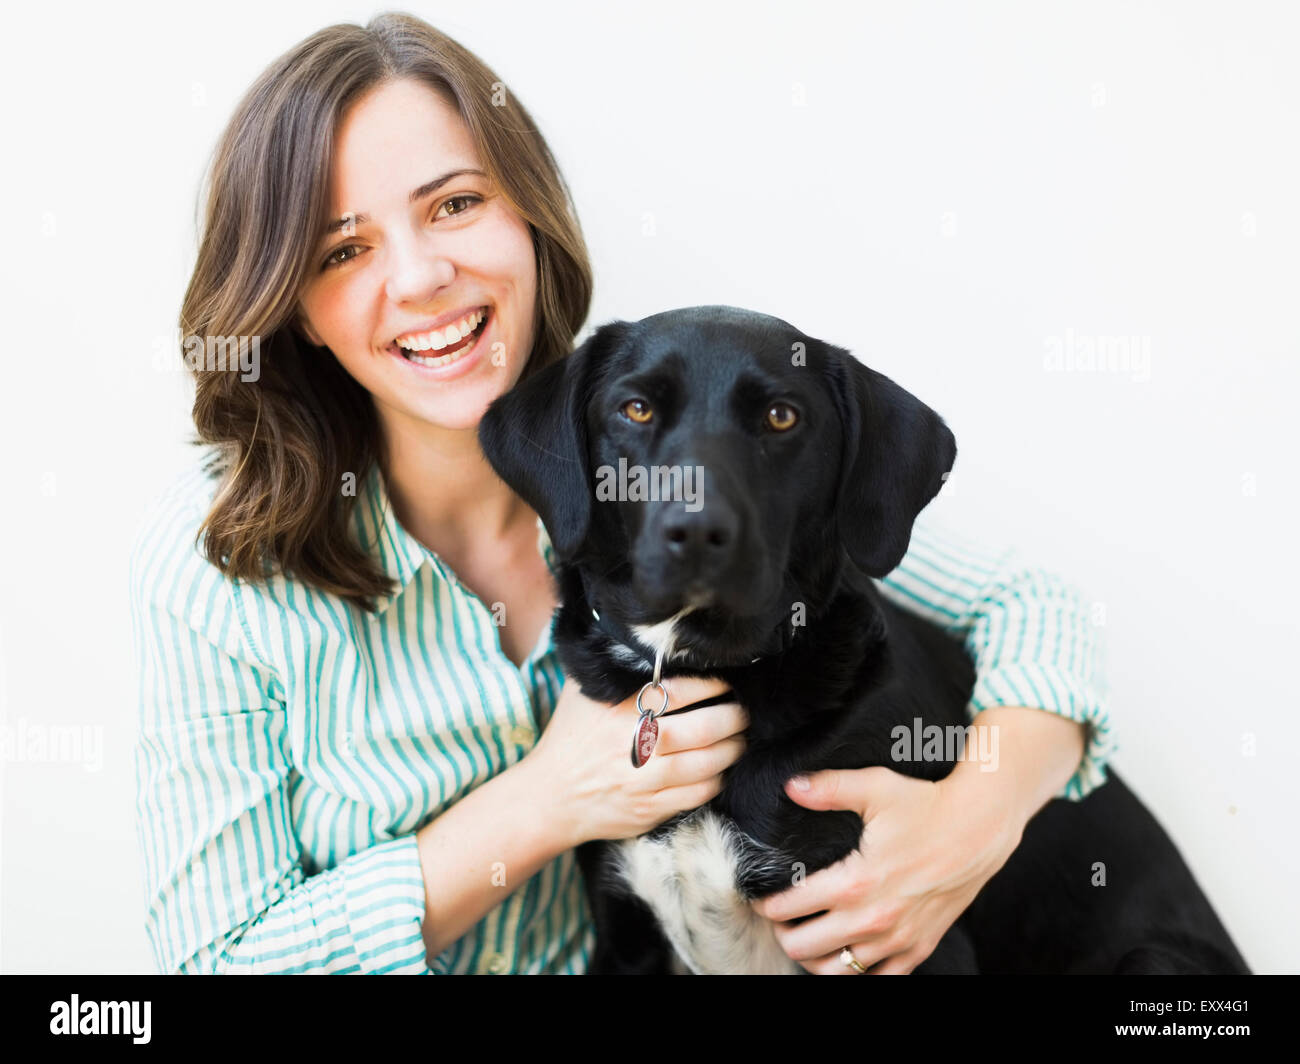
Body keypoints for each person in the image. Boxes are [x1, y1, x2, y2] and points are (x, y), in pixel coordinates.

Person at [128, 12, 1114, 975]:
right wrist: (544, 802)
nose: (423, 274)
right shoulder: (221, 558)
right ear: (292, 304)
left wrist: (965, 823)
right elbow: (218, 958)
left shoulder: (654, 446)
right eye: (344, 249)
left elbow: (1032, 610)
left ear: (528, 212)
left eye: (455, 204)